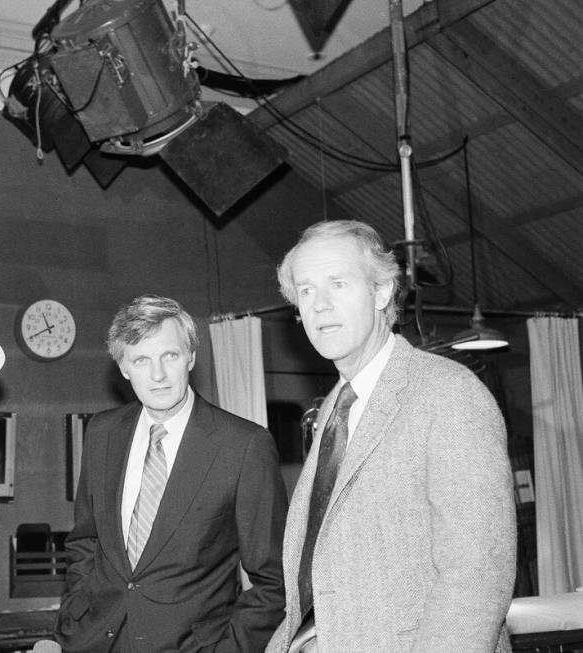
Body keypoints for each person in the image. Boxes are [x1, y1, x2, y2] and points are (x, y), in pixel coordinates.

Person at [266, 220, 516, 652]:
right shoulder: (334, 408)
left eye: (338, 284)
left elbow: (476, 575)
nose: (319, 305)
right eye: (306, 291)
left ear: (382, 292)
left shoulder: (447, 394)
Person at [55, 295, 287, 653]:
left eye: (170, 356)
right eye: (141, 360)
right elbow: (85, 542)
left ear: (191, 357)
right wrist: (74, 616)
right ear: (123, 367)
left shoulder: (244, 446)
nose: (158, 375)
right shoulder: (102, 432)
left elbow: (274, 581)